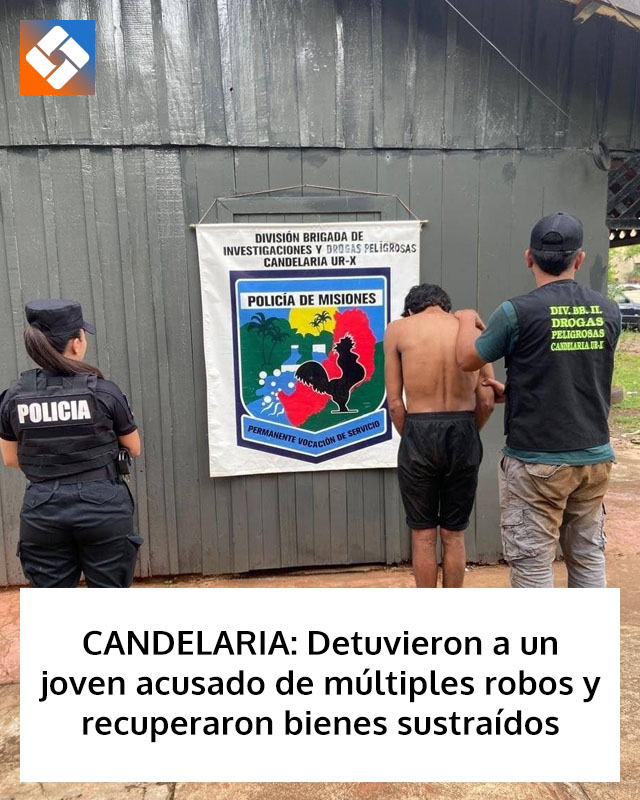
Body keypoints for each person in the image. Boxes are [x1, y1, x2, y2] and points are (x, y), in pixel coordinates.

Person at [455, 212, 622, 588]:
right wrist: (517, 391)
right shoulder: (609, 310)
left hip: (536, 462)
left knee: (532, 564)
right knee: (588, 557)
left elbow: (466, 358)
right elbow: (578, 372)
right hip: (594, 457)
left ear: (529, 257)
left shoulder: (516, 312)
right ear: (579, 259)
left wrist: (465, 319)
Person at [0, 299, 143, 588]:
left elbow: (11, 459)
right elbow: (134, 448)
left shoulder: (13, 397)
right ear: (76, 344)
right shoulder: (104, 392)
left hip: (43, 508)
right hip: (104, 506)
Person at [384, 284, 495, 588]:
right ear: (446, 307)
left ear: (410, 310)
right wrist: (469, 432)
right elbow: (487, 400)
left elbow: (394, 404)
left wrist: (413, 437)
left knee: (423, 535)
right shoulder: (470, 330)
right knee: (454, 534)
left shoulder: (398, 330)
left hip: (418, 429)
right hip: (463, 428)